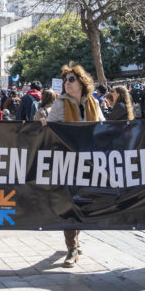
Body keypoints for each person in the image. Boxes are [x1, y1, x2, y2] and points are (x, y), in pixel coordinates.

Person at [44, 62, 104, 267]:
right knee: (69, 204)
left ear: (81, 82)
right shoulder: (60, 103)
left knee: (83, 203)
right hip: (68, 161)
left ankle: (75, 240)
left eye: (71, 79)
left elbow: (102, 127)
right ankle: (72, 248)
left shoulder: (93, 103)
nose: (67, 83)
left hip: (90, 161)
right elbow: (51, 130)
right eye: (65, 80)